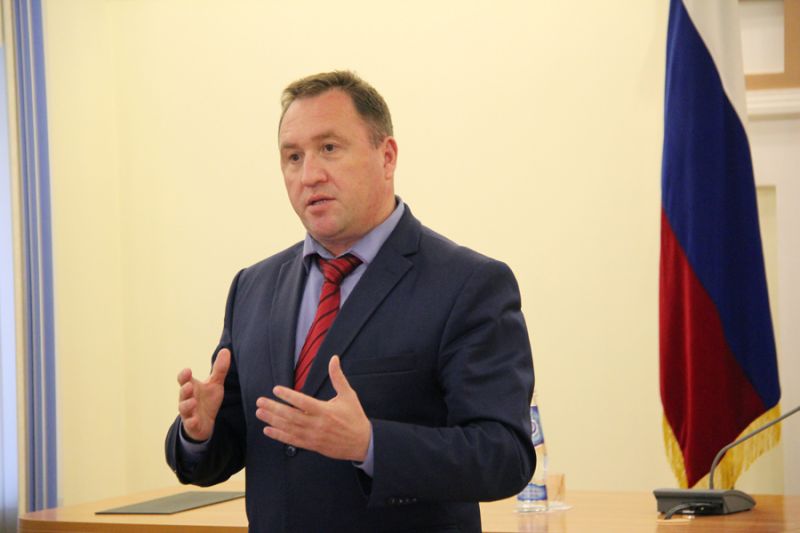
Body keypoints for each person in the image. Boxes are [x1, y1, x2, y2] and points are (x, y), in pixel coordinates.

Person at [165, 70, 535, 533]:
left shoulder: (469, 284)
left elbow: (504, 455)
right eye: (293, 157)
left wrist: (369, 444)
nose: (309, 175)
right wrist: (200, 433)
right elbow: (246, 445)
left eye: (329, 148)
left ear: (387, 156)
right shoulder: (252, 288)